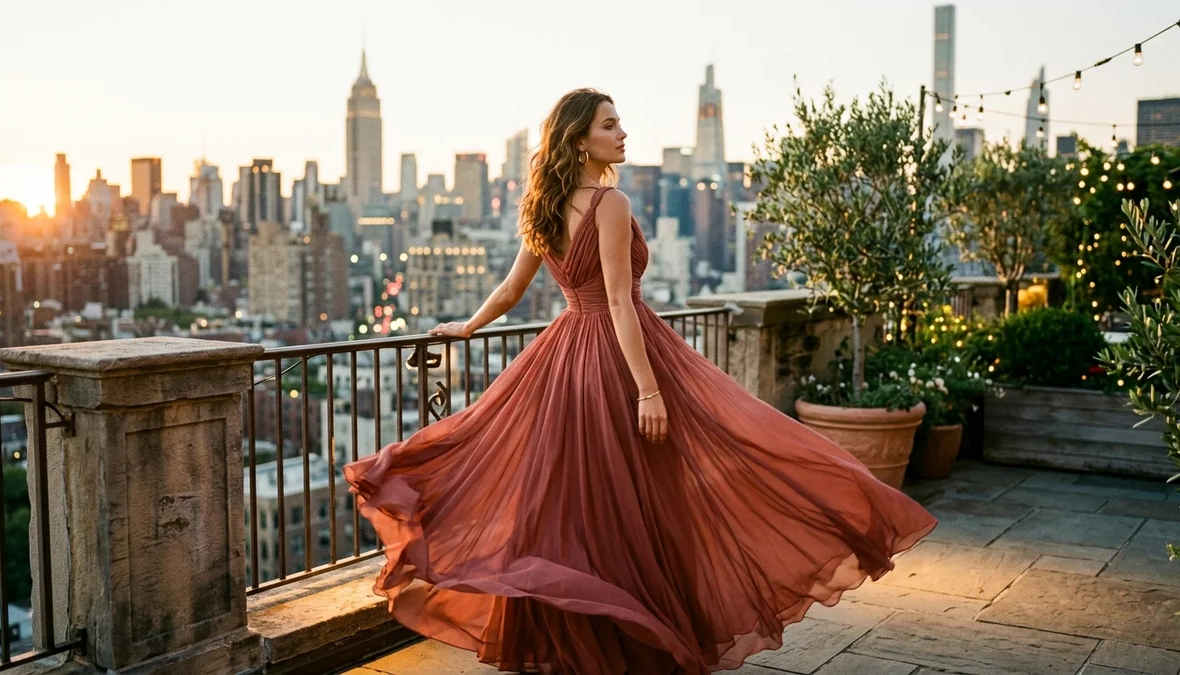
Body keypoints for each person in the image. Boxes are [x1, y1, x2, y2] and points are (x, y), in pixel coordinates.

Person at [344, 88, 936, 675]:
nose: (623, 133)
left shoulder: (544, 207)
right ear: (580, 141)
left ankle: (592, 640)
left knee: (577, 503)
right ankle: (641, 638)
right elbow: (622, 304)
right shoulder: (610, 203)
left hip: (565, 359)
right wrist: (649, 390)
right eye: (610, 125)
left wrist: (469, 326)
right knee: (655, 490)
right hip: (616, 357)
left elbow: (511, 290)